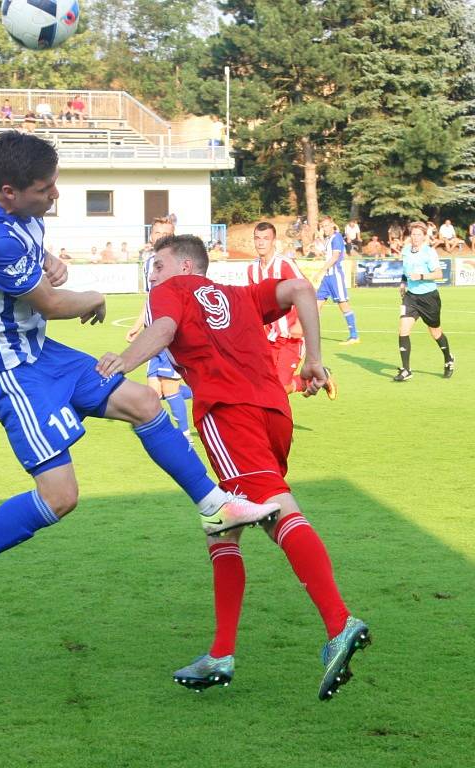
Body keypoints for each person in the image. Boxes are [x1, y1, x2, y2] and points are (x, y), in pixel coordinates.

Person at [0, 132, 278, 633]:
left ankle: (213, 505)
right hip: (10, 371)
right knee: (60, 497)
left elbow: (37, 268)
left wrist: (49, 261)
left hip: (41, 354)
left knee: (144, 402)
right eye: (45, 189)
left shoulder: (14, 211)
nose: (55, 196)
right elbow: (50, 303)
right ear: (8, 191)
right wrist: (93, 295)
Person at [97, 234, 370, 701]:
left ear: (185, 265)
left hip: (228, 413)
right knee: (221, 526)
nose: (153, 274)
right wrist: (315, 361)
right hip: (275, 413)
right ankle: (220, 653)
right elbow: (302, 290)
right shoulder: (240, 293)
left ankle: (339, 622)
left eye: (158, 265)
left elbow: (162, 329)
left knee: (276, 510)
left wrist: (123, 361)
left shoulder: (173, 290)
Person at [248, 222, 336, 398]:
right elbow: (256, 303)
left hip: (291, 337)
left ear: (274, 241)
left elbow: (306, 290)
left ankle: (318, 378)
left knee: (278, 390)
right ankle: (319, 377)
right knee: (262, 385)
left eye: (266, 238)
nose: (261, 242)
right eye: (257, 238)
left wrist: (299, 322)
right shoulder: (252, 269)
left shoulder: (284, 264)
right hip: (270, 338)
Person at [127, 217, 192, 443]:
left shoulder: (180, 264)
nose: (161, 238)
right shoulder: (149, 263)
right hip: (152, 331)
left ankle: (184, 436)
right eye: (157, 233)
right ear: (151, 236)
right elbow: (150, 299)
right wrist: (138, 325)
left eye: (166, 234)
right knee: (154, 391)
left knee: (168, 386)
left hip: (169, 333)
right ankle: (199, 393)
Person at [394, 221, 455, 382]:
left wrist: (420, 276)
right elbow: (406, 270)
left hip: (429, 297)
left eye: (418, 235)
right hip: (411, 296)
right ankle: (406, 370)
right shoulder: (406, 250)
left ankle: (448, 359)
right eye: (413, 234)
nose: (415, 237)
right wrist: (403, 282)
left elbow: (439, 274)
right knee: (403, 330)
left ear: (424, 236)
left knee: (435, 332)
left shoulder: (429, 252)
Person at [315, 216, 360, 344]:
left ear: (332, 224)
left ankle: (354, 336)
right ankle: (312, 335)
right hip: (327, 278)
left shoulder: (337, 237)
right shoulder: (328, 239)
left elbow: (335, 257)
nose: (324, 228)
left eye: (326, 225)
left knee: (343, 304)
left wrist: (321, 270)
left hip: (335, 277)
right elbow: (327, 253)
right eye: (322, 226)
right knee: (316, 306)